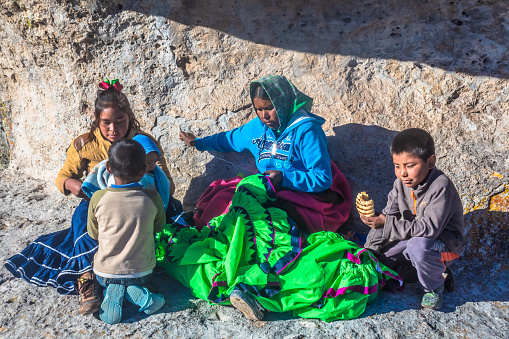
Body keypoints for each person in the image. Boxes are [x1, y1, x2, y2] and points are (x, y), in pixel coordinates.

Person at [4, 78, 175, 316]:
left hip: (139, 200)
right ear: (97, 121)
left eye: (119, 122)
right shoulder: (85, 144)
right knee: (84, 221)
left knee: (174, 220)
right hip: (100, 201)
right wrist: (74, 185)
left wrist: (152, 189)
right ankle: (88, 282)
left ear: (130, 118)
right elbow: (63, 176)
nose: (113, 129)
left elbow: (164, 179)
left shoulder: (144, 144)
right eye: (106, 123)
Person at [179, 74, 352, 234]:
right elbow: (228, 139)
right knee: (222, 197)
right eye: (259, 109)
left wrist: (284, 178)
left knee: (261, 221)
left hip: (301, 197)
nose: (264, 116)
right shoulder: (256, 128)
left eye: (270, 107)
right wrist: (198, 143)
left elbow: (322, 178)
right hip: (268, 190)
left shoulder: (307, 131)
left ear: (283, 103)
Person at [361, 128, 465, 310]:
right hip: (413, 239)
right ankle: (440, 273)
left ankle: (433, 287)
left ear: (430, 161)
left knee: (417, 246)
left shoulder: (441, 187)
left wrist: (386, 223)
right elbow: (388, 215)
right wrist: (370, 251)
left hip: (444, 245)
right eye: (397, 166)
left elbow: (429, 229)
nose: (403, 173)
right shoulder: (400, 185)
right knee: (381, 264)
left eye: (410, 165)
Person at [88, 139, 165, 324]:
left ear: (107, 167)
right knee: (138, 278)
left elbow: (93, 234)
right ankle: (142, 297)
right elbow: (159, 228)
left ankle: (114, 290)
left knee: (108, 274)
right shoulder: (152, 197)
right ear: (143, 171)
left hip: (104, 273)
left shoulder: (98, 197)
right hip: (141, 272)